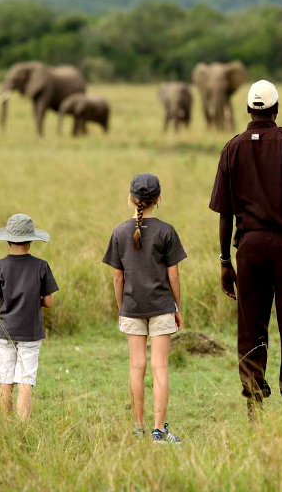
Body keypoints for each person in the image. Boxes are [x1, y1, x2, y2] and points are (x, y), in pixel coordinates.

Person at [209, 80, 282, 419]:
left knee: (251, 325)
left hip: (249, 248)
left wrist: (225, 260)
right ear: (277, 109)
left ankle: (254, 406)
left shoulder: (232, 148)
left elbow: (225, 212)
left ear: (248, 110)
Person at [103, 173, 185, 443]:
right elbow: (173, 275)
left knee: (136, 367)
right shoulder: (167, 231)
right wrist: (177, 306)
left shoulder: (119, 232)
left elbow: (117, 277)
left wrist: (122, 307)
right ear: (158, 199)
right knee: (160, 367)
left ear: (131, 198)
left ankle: (138, 427)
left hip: (132, 307)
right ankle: (158, 430)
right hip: (162, 306)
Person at [0, 214, 58, 421]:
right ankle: (23, 425)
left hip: (5, 331)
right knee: (26, 380)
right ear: (31, 240)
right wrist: (35, 299)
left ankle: (4, 424)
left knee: (5, 380)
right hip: (31, 332)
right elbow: (49, 302)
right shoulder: (41, 266)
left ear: (7, 240)